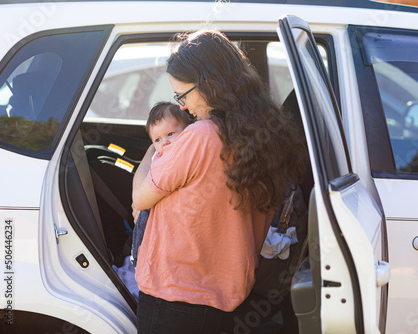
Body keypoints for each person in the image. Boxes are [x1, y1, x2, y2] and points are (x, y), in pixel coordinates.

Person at [132, 29, 306, 334]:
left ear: (210, 84)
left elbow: (140, 198)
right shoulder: (266, 134)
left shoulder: (200, 137)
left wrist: (153, 148)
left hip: (174, 297)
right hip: (227, 300)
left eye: (183, 95)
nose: (182, 107)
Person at [131, 101, 192, 268]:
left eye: (171, 134)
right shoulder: (158, 156)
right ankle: (137, 257)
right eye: (157, 139)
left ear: (188, 130)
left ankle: (139, 259)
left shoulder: (184, 154)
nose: (164, 142)